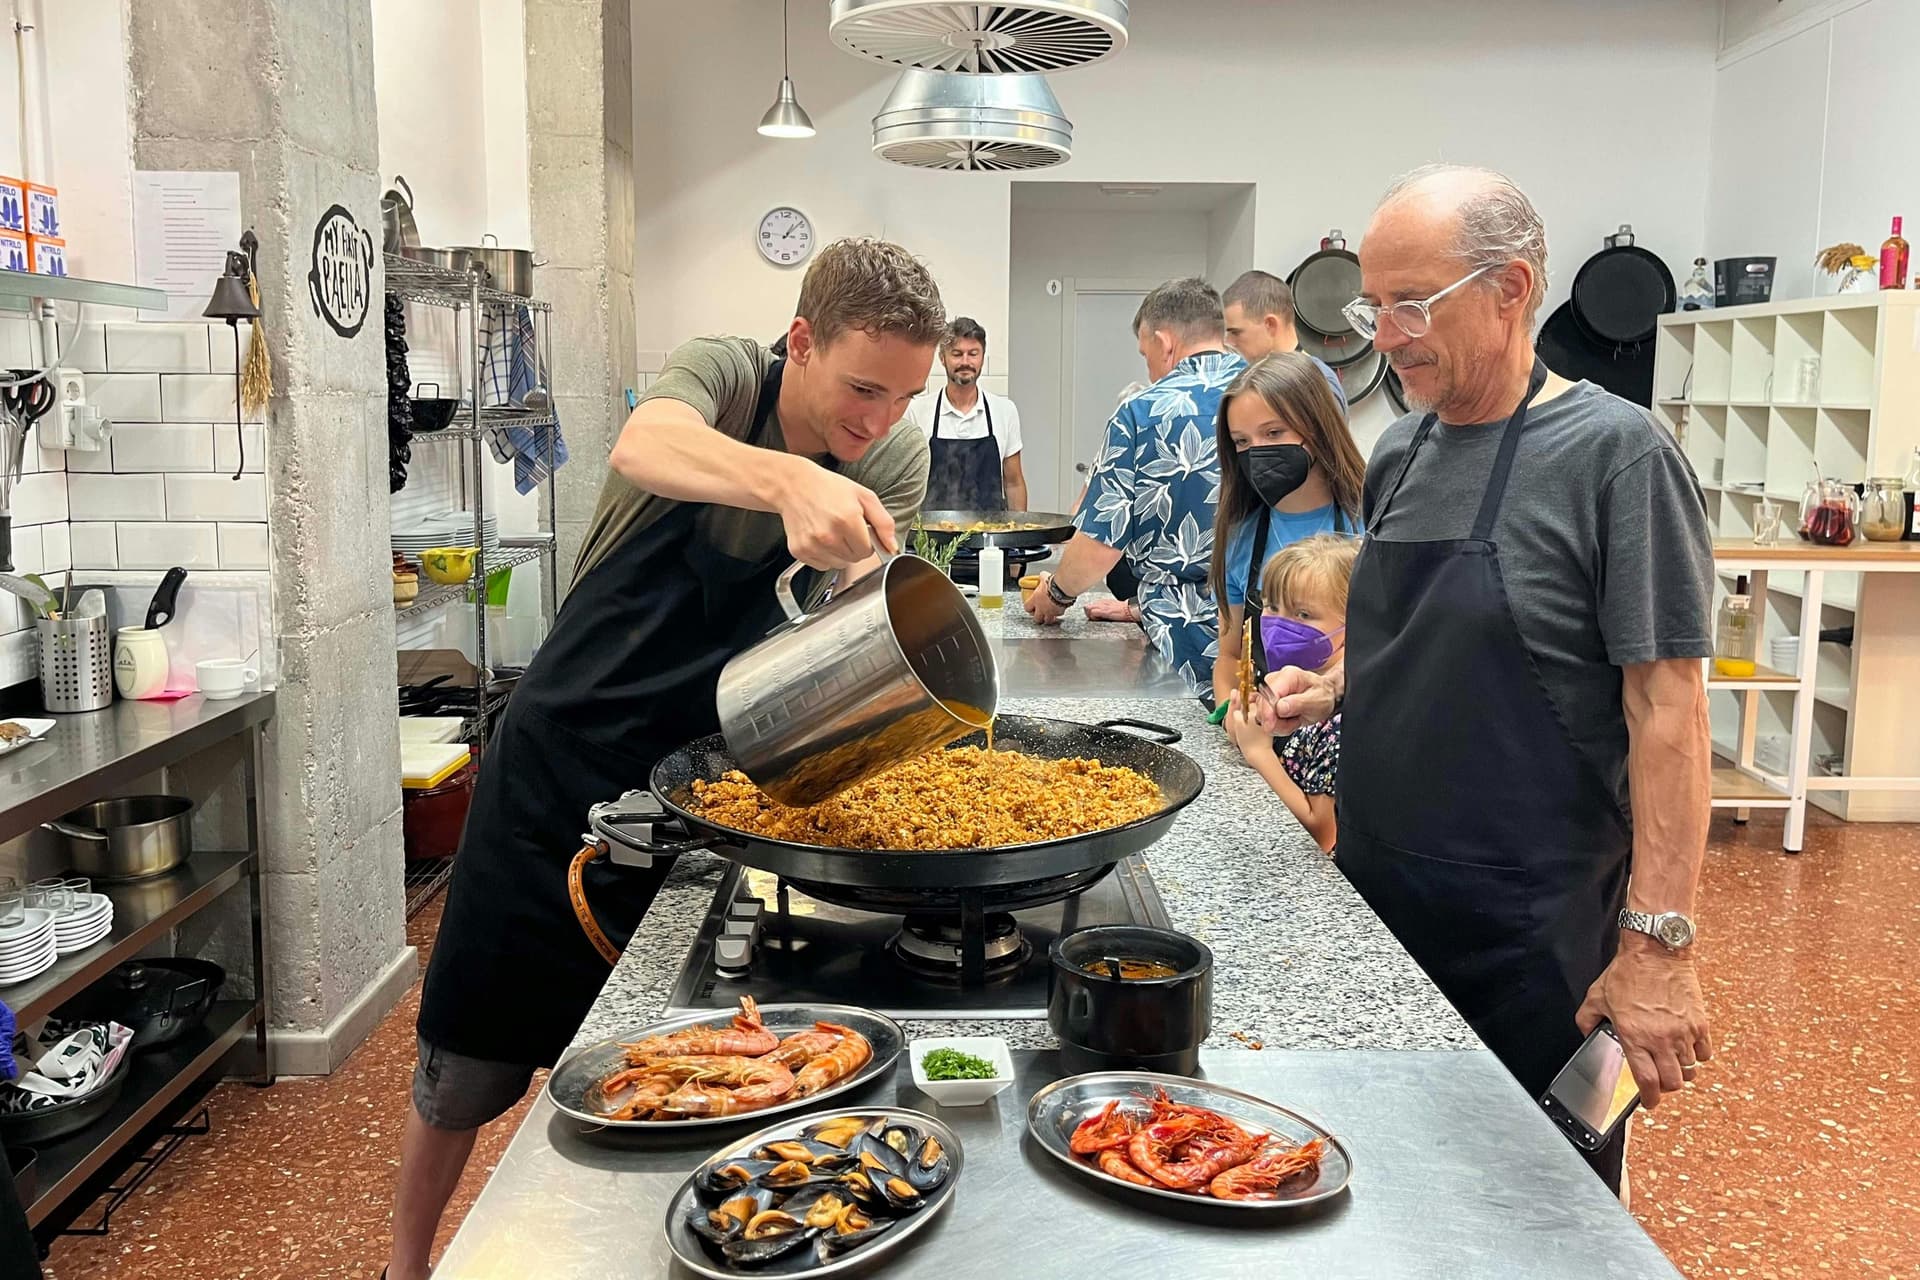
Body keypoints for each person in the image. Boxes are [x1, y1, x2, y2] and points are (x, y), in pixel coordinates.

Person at [388, 238, 944, 1280]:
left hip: (708, 781)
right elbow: (647, 441)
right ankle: (406, 1263)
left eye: (905, 397)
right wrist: (785, 479)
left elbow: (848, 625)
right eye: (862, 387)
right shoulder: (729, 377)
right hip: (562, 760)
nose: (878, 422)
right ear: (803, 340)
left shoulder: (889, 454)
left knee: (689, 1062)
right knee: (467, 1057)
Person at [1251, 165, 1714, 1191]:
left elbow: (1670, 711)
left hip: (1530, 927)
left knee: (1534, 1199)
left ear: (1511, 289)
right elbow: (1427, 633)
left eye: (1411, 303)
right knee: (1381, 1179)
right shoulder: (1405, 446)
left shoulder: (1617, 456)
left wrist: (1660, 945)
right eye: (1373, 304)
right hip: (1378, 892)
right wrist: (1333, 691)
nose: (1385, 332)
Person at [1025, 278, 1244, 690]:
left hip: (1185, 640)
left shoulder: (1144, 411)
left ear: (1164, 342)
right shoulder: (1280, 392)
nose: (1149, 368)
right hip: (1274, 630)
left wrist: (1055, 595)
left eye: (1146, 355)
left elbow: (1100, 544)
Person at [1207, 352, 1365, 711]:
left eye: (1274, 432)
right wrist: (1233, 716)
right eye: (1242, 442)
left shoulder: (1372, 523)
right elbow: (1231, 656)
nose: (1258, 452)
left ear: (1318, 428)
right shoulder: (1242, 536)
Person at [1225, 533, 1358, 852]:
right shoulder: (1292, 681)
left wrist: (1258, 753)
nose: (1278, 625)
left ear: (1353, 621)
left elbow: (1325, 835)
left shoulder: (1339, 721)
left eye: (1303, 615)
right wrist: (1244, 731)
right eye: (1272, 606)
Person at [902, 316, 1028, 510]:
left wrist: (1020, 537)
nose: (965, 362)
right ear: (943, 358)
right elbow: (906, 483)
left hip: (992, 536)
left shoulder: (1004, 411)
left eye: (973, 353)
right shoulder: (917, 411)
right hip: (931, 536)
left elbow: (1013, 482)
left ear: (982, 358)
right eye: (957, 354)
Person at [1221, 270, 1348, 411]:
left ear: (1270, 324)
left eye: (1236, 333)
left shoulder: (1315, 384)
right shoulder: (1246, 381)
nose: (1228, 342)